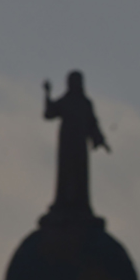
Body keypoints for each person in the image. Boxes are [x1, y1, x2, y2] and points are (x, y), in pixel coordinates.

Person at [44, 70, 110, 216]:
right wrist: (47, 94)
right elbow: (49, 113)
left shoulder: (85, 103)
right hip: (67, 143)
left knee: (79, 172)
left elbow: (92, 123)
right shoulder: (66, 101)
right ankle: (64, 202)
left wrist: (101, 141)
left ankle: (79, 202)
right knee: (66, 172)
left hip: (79, 144)